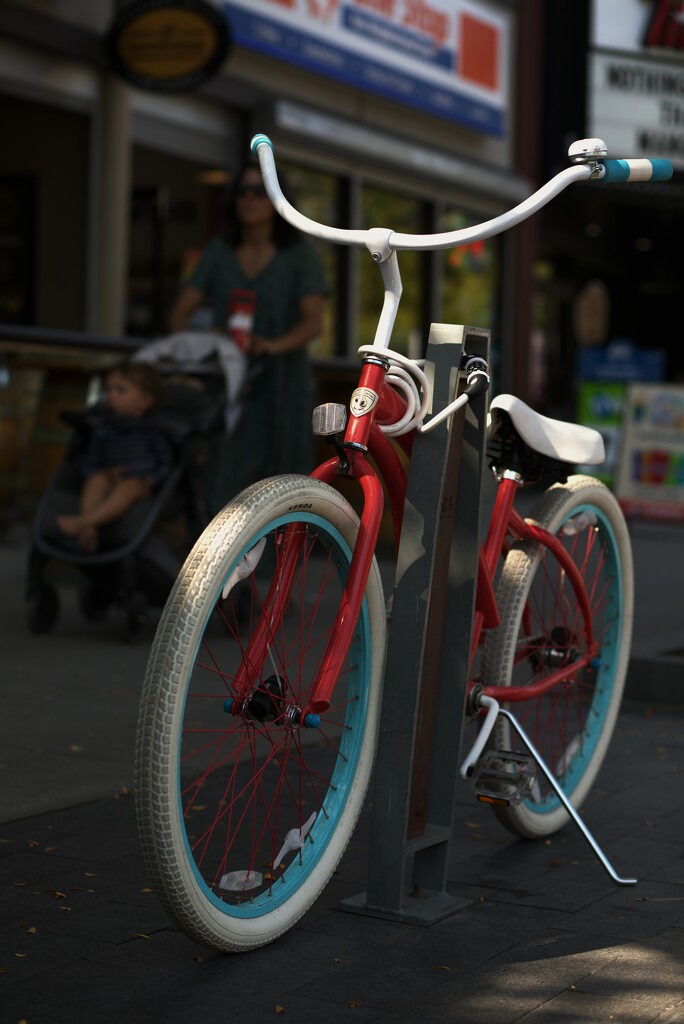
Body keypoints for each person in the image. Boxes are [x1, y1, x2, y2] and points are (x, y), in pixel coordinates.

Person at [166, 159, 328, 516]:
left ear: (276, 199)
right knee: (223, 470)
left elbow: (313, 324)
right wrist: (207, 340)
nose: (250, 199)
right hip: (229, 380)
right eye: (242, 191)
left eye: (260, 191)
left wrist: (271, 345)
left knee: (282, 477)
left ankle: (276, 570)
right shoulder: (219, 251)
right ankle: (218, 565)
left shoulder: (299, 254)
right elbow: (179, 315)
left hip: (283, 383)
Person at [56, 361, 174, 552]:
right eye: (108, 389)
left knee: (130, 486)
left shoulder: (152, 432)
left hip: (140, 485)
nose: (111, 395)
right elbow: (91, 462)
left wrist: (150, 480)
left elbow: (166, 463)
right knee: (95, 479)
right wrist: (107, 473)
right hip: (110, 480)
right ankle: (88, 530)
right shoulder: (104, 431)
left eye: (121, 390)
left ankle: (84, 522)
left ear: (145, 400)